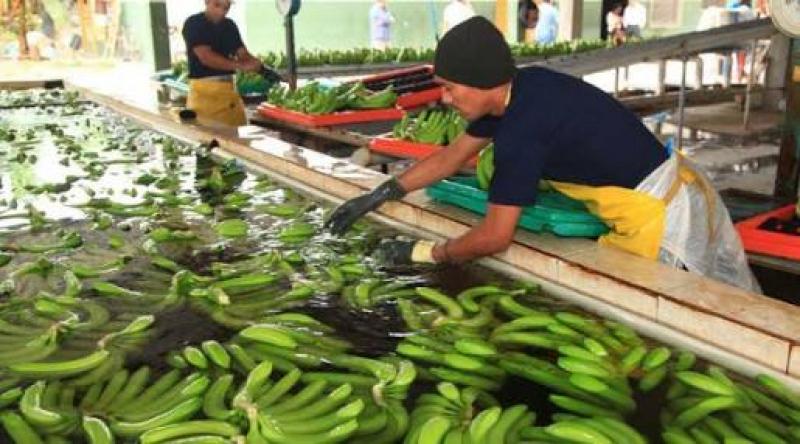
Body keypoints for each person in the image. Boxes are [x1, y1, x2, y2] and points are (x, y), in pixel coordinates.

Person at [325, 17, 758, 292]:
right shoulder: (519, 90)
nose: (445, 98)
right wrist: (384, 192)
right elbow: (452, 156)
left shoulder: (522, 128)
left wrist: (428, 253)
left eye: (450, 88)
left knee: (688, 318)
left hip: (664, 217)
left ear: (482, 81)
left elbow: (495, 236)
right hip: (671, 190)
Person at [182, 0, 278, 127]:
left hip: (229, 93)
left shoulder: (229, 26)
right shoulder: (194, 23)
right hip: (204, 96)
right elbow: (206, 57)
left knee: (238, 136)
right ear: (207, 1)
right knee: (210, 137)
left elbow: (243, 55)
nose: (221, 12)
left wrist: (269, 73)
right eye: (217, 5)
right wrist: (240, 66)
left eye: (226, 8)